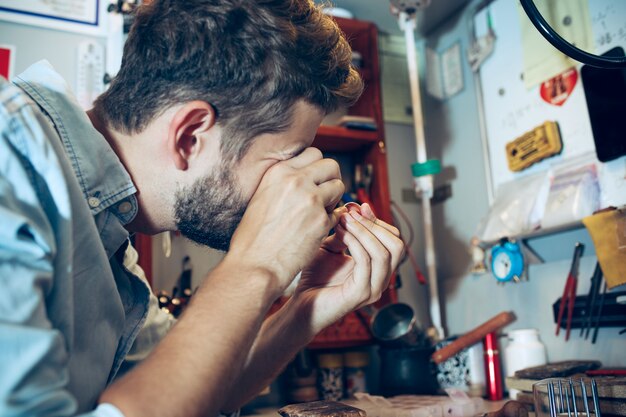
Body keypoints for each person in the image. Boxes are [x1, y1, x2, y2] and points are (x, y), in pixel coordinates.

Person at [0, 1, 404, 416]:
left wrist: (306, 310)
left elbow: (185, 394)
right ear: (190, 137)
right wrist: (256, 266)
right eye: (285, 161)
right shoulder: (9, 158)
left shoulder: (110, 233)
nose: (293, 191)